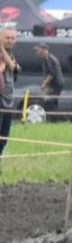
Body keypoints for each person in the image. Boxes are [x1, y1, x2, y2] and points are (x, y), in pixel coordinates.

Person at [0, 28, 18, 162]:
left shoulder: (11, 54)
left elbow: (15, 67)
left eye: (12, 38)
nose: (10, 41)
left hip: (8, 100)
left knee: (4, 136)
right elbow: (11, 66)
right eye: (7, 38)